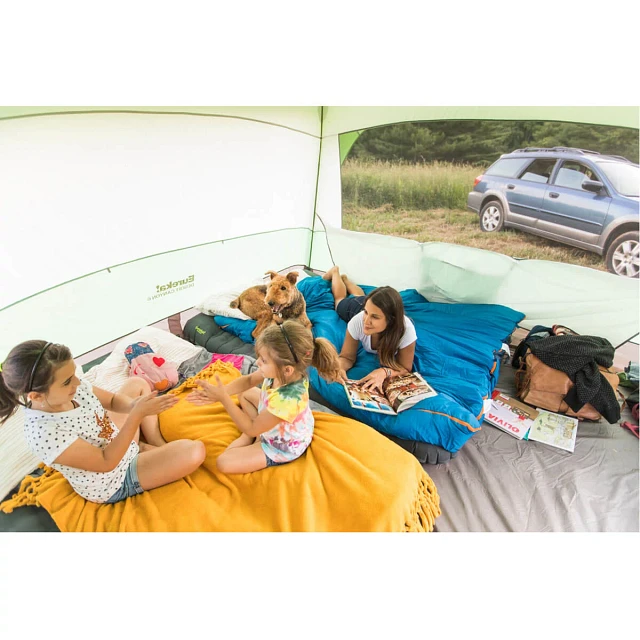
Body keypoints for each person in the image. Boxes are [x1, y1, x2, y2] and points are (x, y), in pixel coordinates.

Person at [0, 340, 206, 504]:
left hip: (114, 438)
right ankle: (146, 450)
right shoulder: (44, 434)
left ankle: (155, 442)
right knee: (195, 451)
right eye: (67, 381)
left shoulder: (75, 387)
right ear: (36, 396)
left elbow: (114, 401)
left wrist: (136, 406)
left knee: (138, 383)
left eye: (73, 374)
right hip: (113, 478)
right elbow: (107, 462)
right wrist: (136, 416)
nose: (78, 383)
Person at [187, 320, 342, 474]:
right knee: (244, 392)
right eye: (259, 357)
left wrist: (224, 399)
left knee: (224, 462)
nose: (258, 362)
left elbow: (252, 428)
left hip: (282, 445)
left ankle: (255, 439)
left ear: (287, 369)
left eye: (264, 360)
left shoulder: (288, 400)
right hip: (274, 419)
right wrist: (220, 392)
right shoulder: (282, 372)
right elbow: (248, 380)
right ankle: (258, 433)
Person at [323, 266, 417, 393]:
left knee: (358, 297)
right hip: (356, 308)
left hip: (366, 304)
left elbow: (406, 367)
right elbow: (347, 357)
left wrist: (384, 372)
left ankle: (349, 283)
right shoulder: (358, 321)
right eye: (366, 313)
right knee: (339, 301)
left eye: (375, 317)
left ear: (391, 320)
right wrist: (339, 367)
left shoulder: (406, 331)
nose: (366, 321)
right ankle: (335, 273)